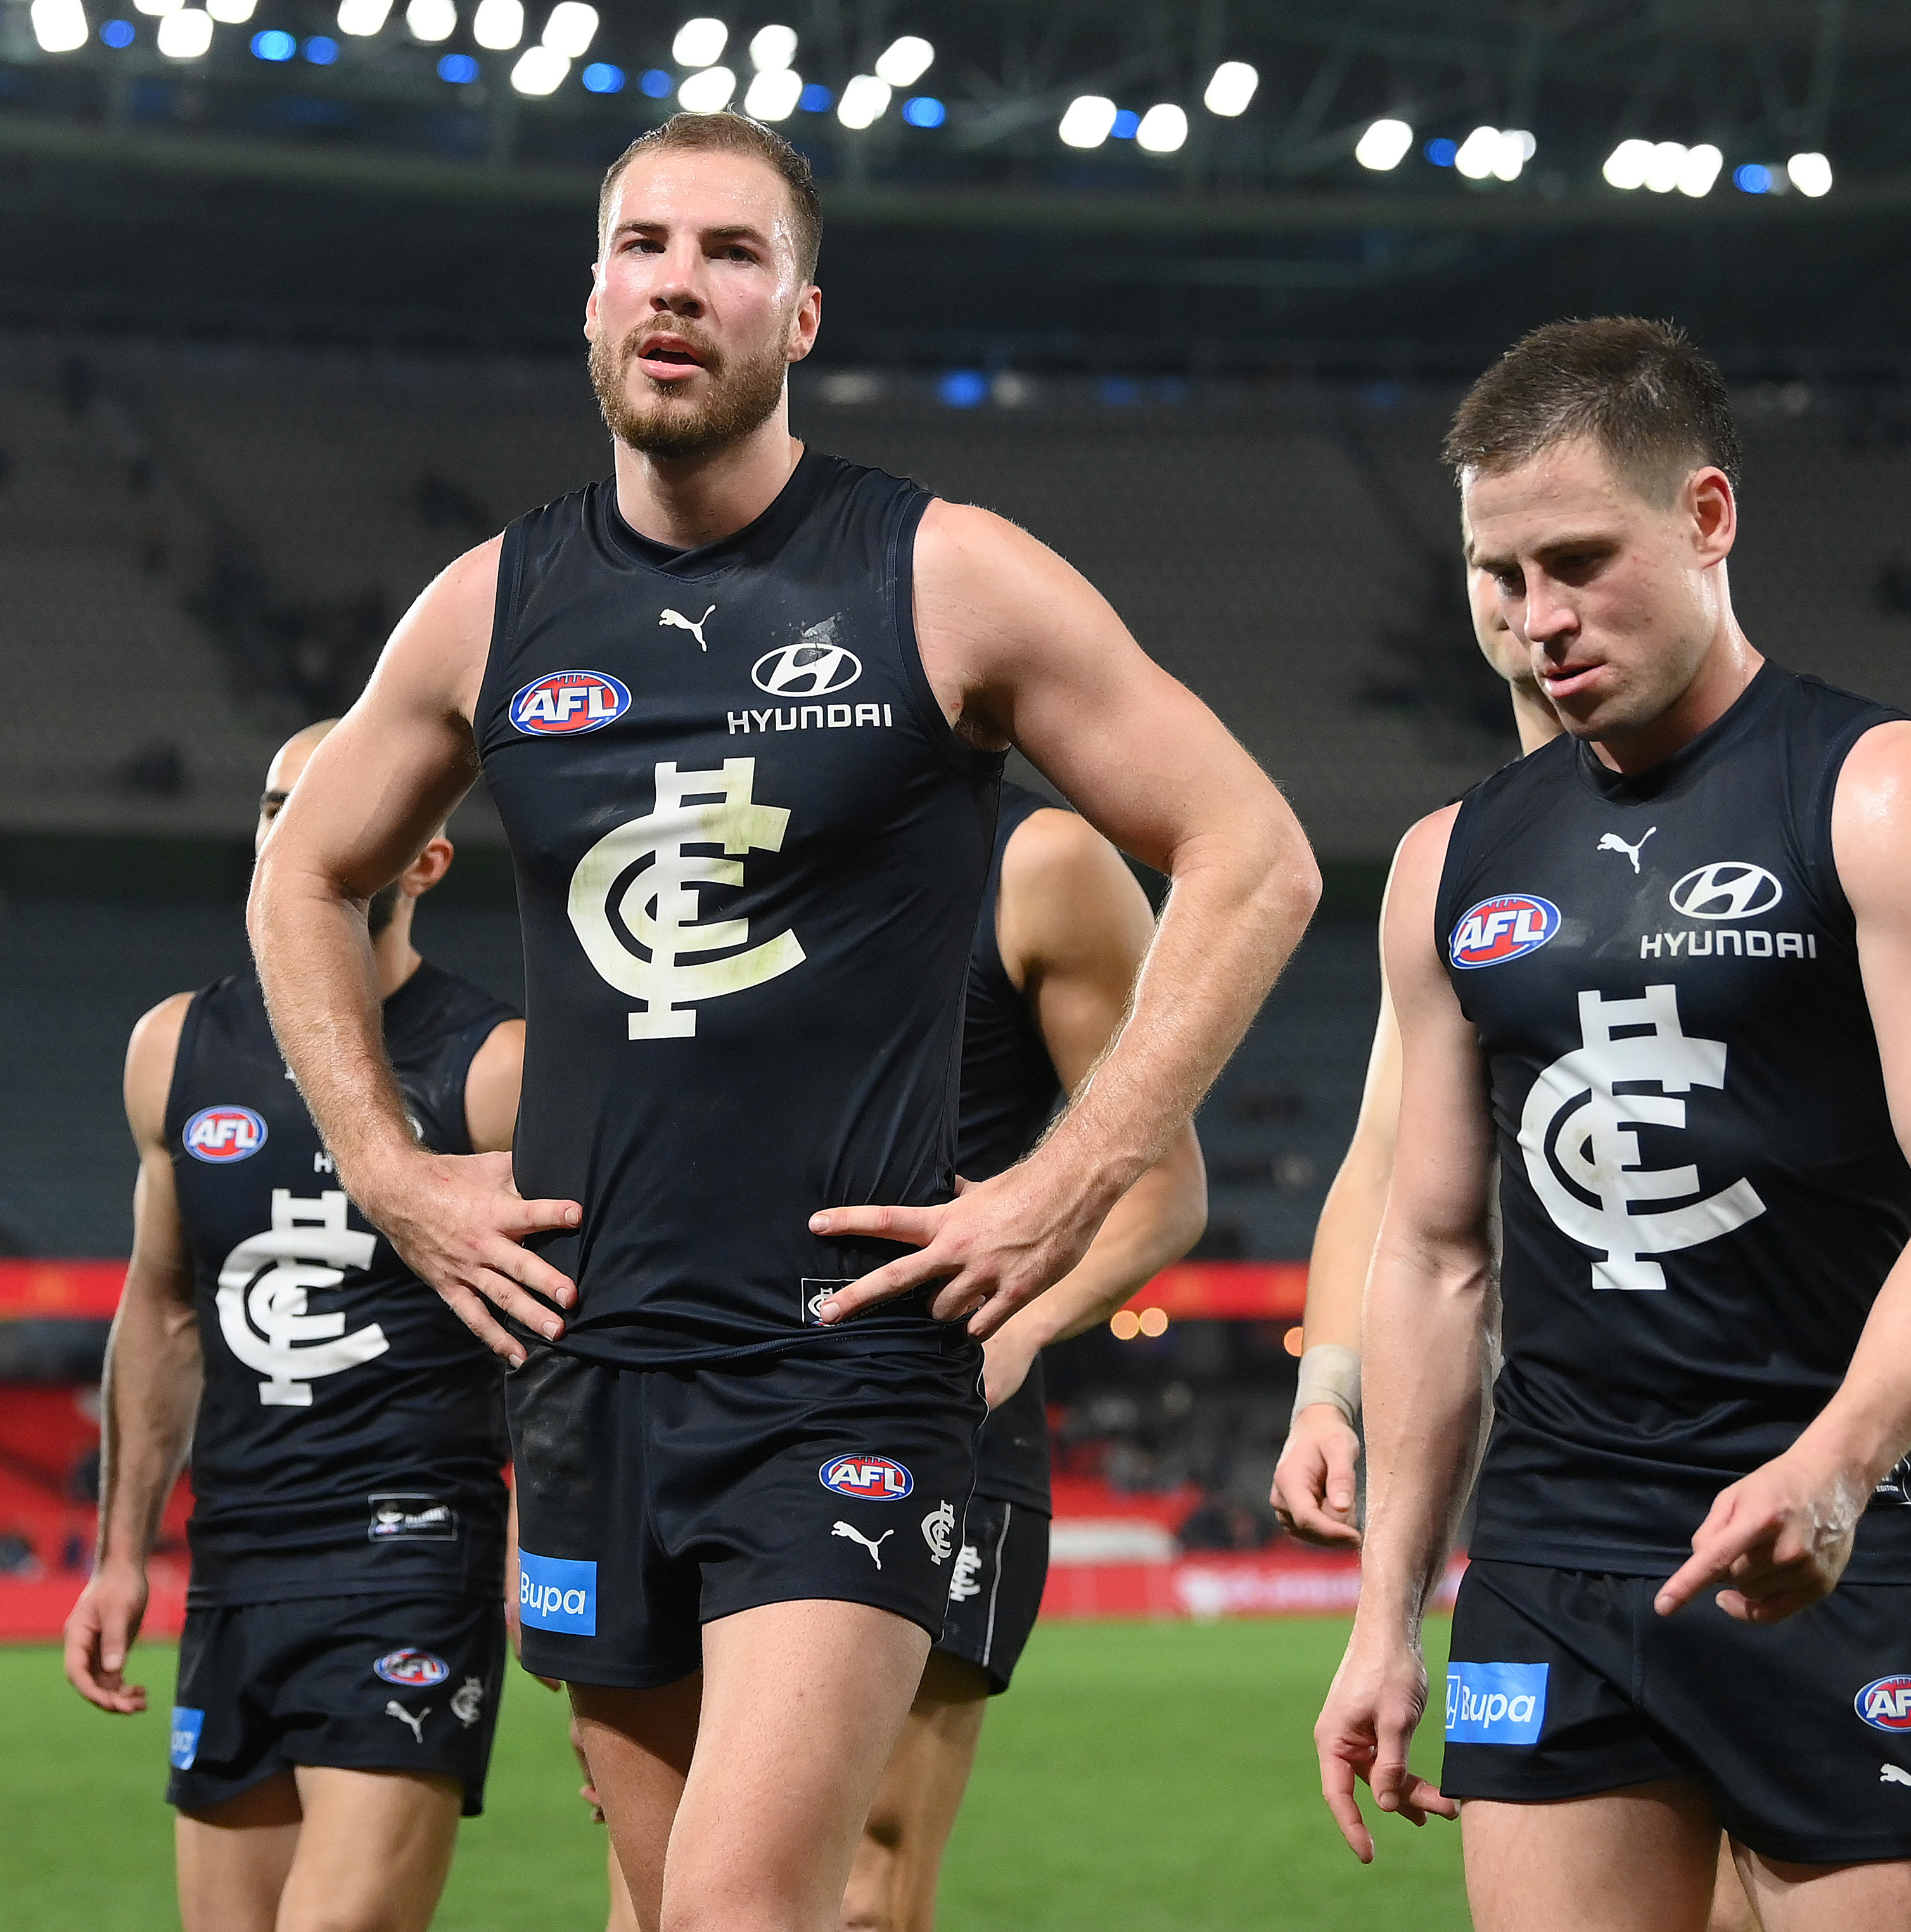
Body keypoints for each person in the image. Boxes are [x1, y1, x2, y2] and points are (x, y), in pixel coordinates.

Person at [248, 112, 1317, 1932]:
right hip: (587, 1364)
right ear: (590, 296)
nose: (679, 282)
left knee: (755, 1907)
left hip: (841, 1369)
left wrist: (1065, 1185)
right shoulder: (487, 606)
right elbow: (298, 879)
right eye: (643, 244)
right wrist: (388, 1172)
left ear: (799, 315)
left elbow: (1254, 852)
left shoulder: (940, 573)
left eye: (730, 253)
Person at [1315, 319, 1911, 1932]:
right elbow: (1434, 1255)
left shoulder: (1892, 796)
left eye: (1577, 560)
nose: (1536, 621)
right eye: (1500, 576)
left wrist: (1842, 1467)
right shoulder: (1449, 862)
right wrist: (1385, 1617)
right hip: (1551, 1563)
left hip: (1831, 1543)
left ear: (1708, 517)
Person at [582, 784, 1213, 1932]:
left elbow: (1162, 1189)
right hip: (683, 1405)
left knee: (865, 1878)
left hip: (922, 1417)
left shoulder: (1038, 861)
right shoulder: (680, 842)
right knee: (655, 1881)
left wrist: (1015, 1323)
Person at [63, 720, 525, 1932]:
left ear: (425, 858)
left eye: (334, 803)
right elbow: (162, 1308)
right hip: (236, 1568)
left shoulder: (492, 1067)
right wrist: (121, 1553)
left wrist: (554, 1555)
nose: (291, 830)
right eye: (275, 804)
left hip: (415, 1556)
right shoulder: (175, 1046)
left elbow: (565, 1335)